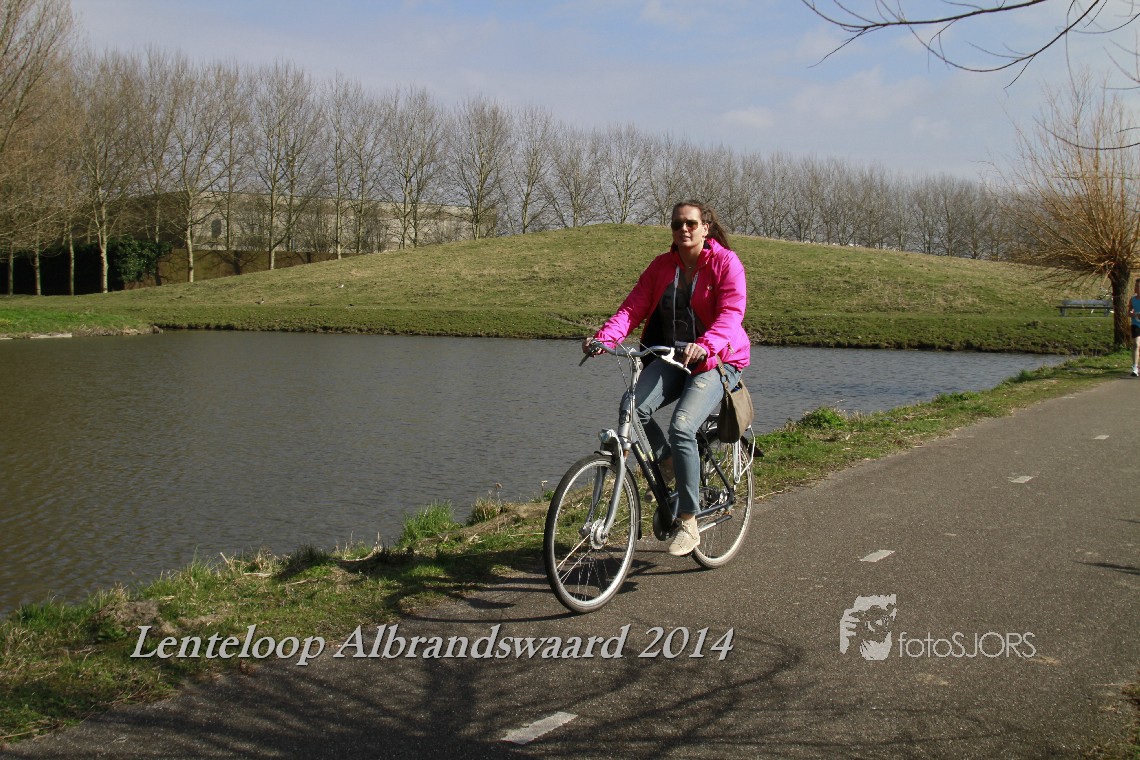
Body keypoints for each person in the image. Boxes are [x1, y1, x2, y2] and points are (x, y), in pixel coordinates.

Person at [583, 200, 750, 556]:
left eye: (691, 223)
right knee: (632, 408)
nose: (683, 229)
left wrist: (706, 345)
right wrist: (605, 338)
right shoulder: (662, 266)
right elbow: (632, 308)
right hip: (673, 358)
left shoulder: (726, 263)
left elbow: (731, 313)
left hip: (718, 359)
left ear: (705, 228)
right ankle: (669, 462)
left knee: (682, 425)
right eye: (677, 224)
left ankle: (688, 520)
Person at [1130, 279, 1140, 376]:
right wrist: (1132, 314)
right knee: (1136, 344)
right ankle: (1135, 367)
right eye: (1136, 286)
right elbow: (1129, 312)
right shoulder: (1132, 299)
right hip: (1135, 324)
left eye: (1138, 286)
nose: (1136, 288)